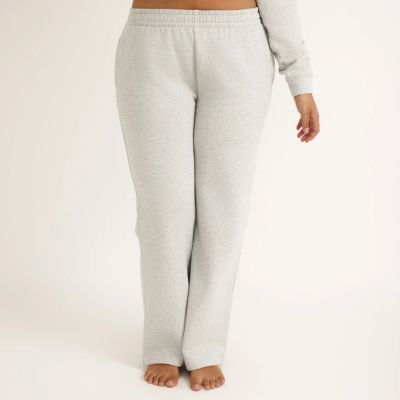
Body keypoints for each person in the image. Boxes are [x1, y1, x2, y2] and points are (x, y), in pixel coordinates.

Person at [114, 0, 320, 391]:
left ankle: (204, 343)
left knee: (223, 211)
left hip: (238, 45)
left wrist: (300, 76)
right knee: (162, 212)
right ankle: (163, 341)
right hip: (152, 44)